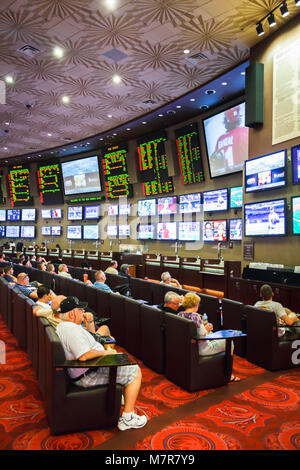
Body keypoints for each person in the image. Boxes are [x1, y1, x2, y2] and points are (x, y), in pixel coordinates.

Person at [54, 296, 147, 431]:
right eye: (80, 309)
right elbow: (84, 356)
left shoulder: (66, 326)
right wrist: (105, 354)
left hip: (88, 369)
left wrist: (88, 324)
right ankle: (128, 418)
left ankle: (122, 398)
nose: (83, 311)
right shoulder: (71, 329)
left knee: (120, 359)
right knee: (135, 371)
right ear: (72, 314)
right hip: (88, 374)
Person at [178, 293, 238, 382]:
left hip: (189, 346)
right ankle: (228, 373)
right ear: (196, 305)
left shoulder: (180, 314)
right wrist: (207, 328)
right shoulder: (195, 316)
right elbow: (202, 334)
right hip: (203, 348)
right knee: (230, 342)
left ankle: (224, 367)